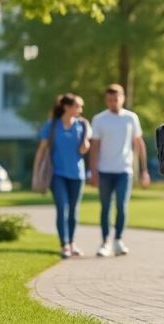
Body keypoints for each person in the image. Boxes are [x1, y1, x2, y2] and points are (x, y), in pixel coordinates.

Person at [88, 83, 149, 257]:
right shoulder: (99, 119)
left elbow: (139, 144)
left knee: (122, 206)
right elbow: (94, 148)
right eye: (110, 100)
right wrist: (93, 171)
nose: (113, 102)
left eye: (116, 99)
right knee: (106, 207)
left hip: (125, 170)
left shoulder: (131, 118)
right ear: (106, 100)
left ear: (122, 98)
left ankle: (118, 240)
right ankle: (105, 242)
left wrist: (144, 170)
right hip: (104, 171)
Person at [32, 93, 92, 259]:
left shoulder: (82, 125)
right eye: (77, 106)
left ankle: (72, 243)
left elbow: (83, 149)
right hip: (57, 174)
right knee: (62, 208)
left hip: (77, 175)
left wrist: (85, 145)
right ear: (67, 107)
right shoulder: (52, 125)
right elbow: (42, 149)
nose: (80, 109)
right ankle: (64, 244)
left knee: (74, 211)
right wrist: (36, 170)